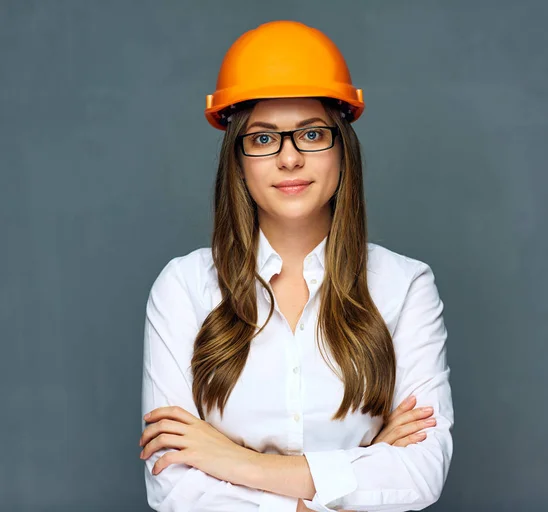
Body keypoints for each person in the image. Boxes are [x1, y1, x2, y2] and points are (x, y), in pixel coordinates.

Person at [139, 20, 454, 512]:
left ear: (342, 149)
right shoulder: (183, 288)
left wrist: (236, 462)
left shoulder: (405, 285)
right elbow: (175, 485)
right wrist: (364, 464)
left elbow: (420, 473)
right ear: (238, 160)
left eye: (311, 133)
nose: (289, 158)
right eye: (264, 139)